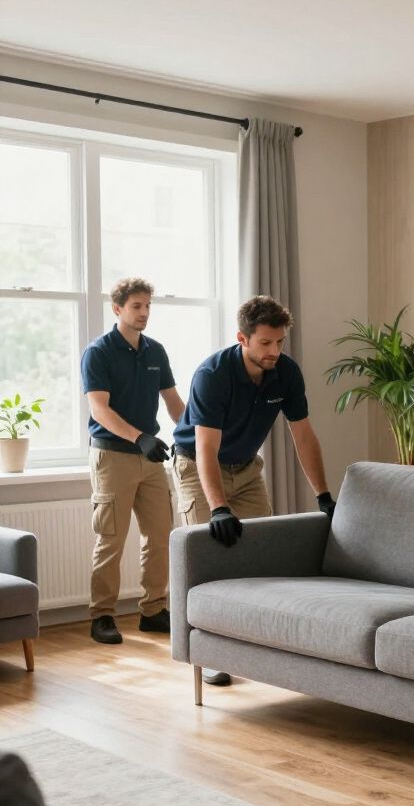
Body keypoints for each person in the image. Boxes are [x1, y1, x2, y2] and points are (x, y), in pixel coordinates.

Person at [171, 295, 337, 686]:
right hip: (197, 465)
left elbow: (303, 436)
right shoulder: (213, 375)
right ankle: (208, 655)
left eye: (279, 342)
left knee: (261, 554)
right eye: (265, 342)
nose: (274, 350)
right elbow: (206, 449)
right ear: (242, 339)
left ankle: (253, 646)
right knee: (206, 558)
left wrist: (324, 496)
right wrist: (218, 507)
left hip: (246, 468)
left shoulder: (286, 372)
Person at [81, 278, 185, 645]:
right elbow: (99, 408)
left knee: (159, 536)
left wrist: (193, 436)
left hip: (151, 458)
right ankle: (102, 615)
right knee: (110, 539)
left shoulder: (155, 351)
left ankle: (153, 610)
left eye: (147, 306)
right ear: (117, 309)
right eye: (136, 306)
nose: (143, 313)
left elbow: (174, 403)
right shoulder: (99, 352)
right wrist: (138, 437)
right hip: (112, 456)